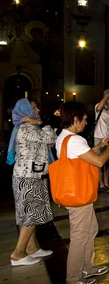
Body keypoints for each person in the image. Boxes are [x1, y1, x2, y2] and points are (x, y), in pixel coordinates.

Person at [56, 101, 109, 284]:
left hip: (78, 194)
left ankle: (87, 267)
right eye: (83, 120)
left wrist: (99, 144)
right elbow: (98, 162)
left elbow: (84, 156)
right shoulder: (75, 140)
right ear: (75, 119)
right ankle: (73, 280)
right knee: (80, 236)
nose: (85, 123)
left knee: (90, 230)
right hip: (78, 196)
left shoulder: (65, 138)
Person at [7, 98, 56, 267]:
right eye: (34, 108)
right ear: (25, 110)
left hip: (31, 175)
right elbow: (51, 136)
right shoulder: (27, 128)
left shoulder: (31, 128)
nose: (37, 111)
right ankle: (18, 254)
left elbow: (49, 141)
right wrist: (40, 122)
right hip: (28, 177)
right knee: (30, 215)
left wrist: (39, 124)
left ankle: (32, 247)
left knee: (30, 213)